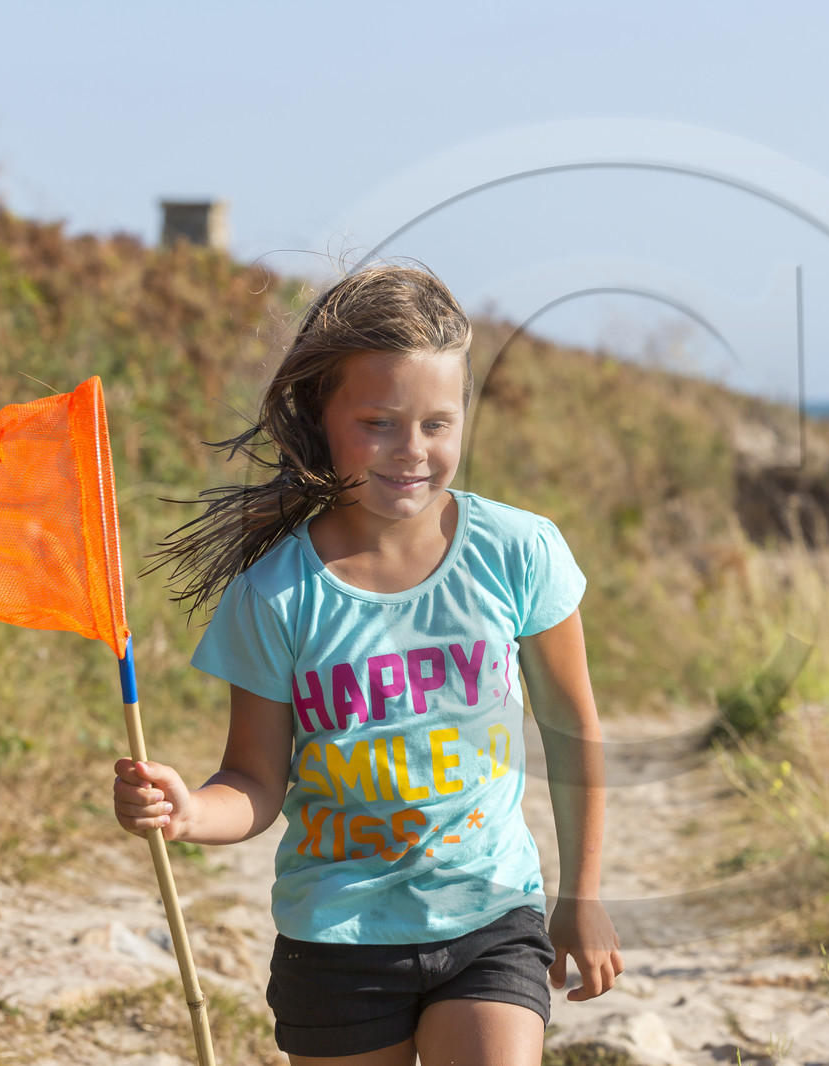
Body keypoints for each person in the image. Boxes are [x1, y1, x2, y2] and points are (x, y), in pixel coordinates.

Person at [113, 265, 622, 1066]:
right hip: (336, 940)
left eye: (437, 424)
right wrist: (185, 814)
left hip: (490, 916)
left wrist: (581, 897)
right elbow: (253, 782)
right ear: (323, 415)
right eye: (379, 422)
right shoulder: (275, 595)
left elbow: (572, 728)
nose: (411, 452)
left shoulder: (519, 552)